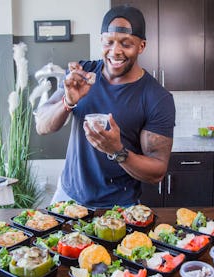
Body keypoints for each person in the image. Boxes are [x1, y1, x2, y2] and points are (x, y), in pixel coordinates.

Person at [35, 5, 175, 208]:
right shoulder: (82, 74)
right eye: (109, 42)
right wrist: (68, 101)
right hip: (68, 196)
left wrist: (117, 151)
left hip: (118, 207)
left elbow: (157, 171)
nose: (115, 51)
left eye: (126, 44)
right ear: (101, 41)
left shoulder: (156, 97)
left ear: (141, 46)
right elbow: (41, 125)